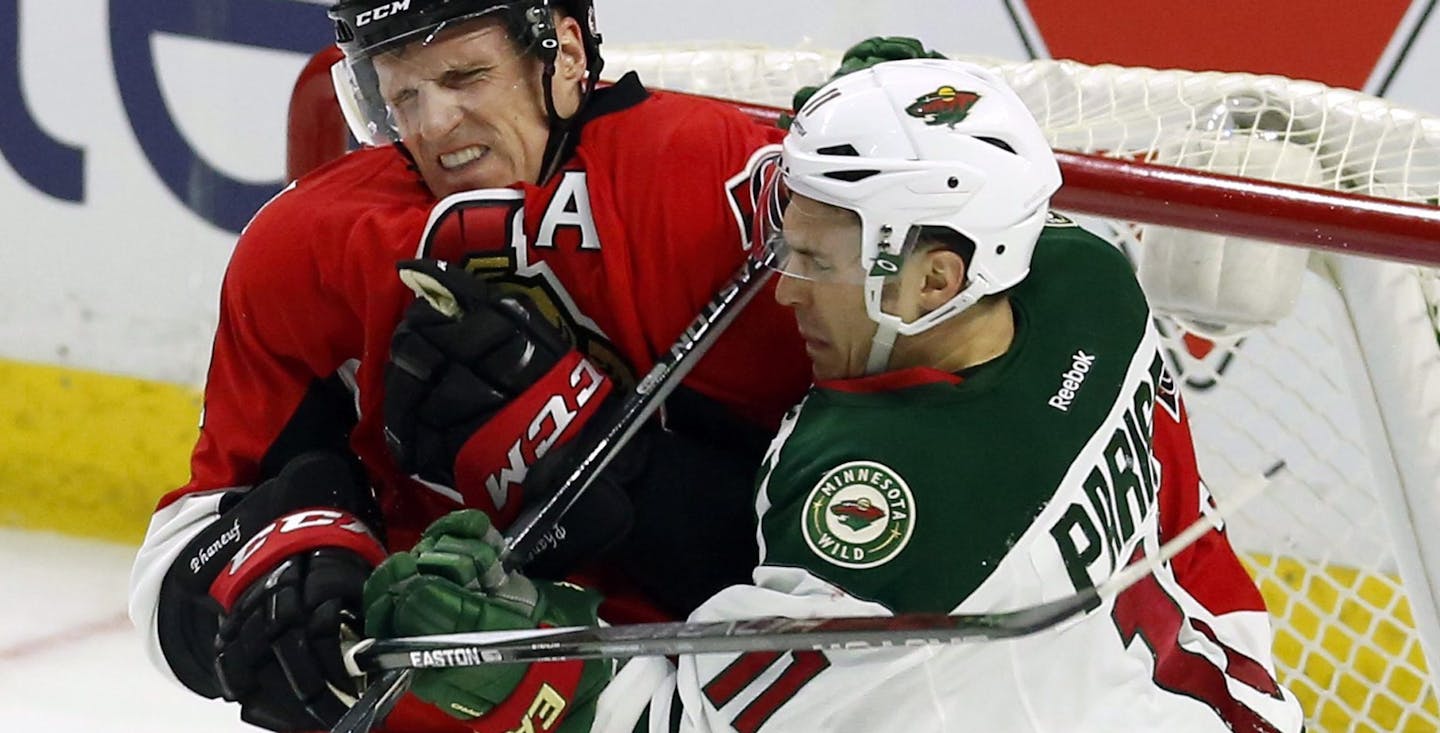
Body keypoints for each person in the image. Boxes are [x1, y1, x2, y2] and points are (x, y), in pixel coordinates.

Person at [362, 59, 1306, 732]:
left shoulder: (885, 527)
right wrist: (885, 118)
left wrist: (518, 659)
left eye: (815, 259)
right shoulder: (1080, 280)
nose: (784, 287)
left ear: (936, 281)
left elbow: (694, 719)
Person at [125, 1, 817, 731]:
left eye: (466, 76)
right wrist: (271, 583)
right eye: (401, 94)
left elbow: (860, 529)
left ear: (567, 54)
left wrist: (627, 471)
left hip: (701, 698)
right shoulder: (307, 247)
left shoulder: (728, 191)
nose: (432, 125)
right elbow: (181, 560)